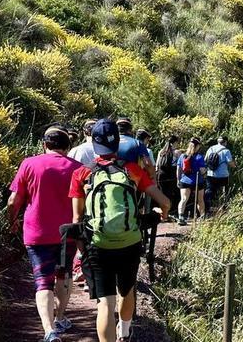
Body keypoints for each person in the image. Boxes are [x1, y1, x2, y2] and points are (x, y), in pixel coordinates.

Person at [69, 119, 170, 342]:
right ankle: (124, 332)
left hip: (98, 244)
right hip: (130, 242)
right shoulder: (132, 170)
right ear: (117, 144)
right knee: (127, 289)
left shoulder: (82, 174)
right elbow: (164, 202)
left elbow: (76, 218)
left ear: (94, 144)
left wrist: (82, 248)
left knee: (105, 303)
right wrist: (161, 215)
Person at [7, 125, 82, 342]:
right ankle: (60, 318)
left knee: (43, 281)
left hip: (36, 233)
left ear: (44, 145)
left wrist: (12, 221)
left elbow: (14, 200)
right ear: (69, 146)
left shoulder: (29, 164)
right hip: (68, 233)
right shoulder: (79, 169)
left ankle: (49, 331)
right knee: (63, 274)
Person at [176, 137, 206, 225]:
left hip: (184, 181)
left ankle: (180, 217)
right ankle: (202, 216)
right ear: (197, 146)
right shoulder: (199, 157)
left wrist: (178, 179)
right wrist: (205, 174)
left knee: (183, 199)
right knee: (200, 200)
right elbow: (202, 170)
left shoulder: (182, 156)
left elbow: (178, 169)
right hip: (197, 181)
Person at [204, 136, 236, 213]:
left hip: (210, 174)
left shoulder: (210, 148)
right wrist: (234, 166)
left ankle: (207, 208)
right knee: (224, 192)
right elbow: (230, 162)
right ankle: (223, 208)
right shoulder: (226, 151)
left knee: (210, 191)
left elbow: (205, 160)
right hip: (223, 175)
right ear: (225, 142)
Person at [155, 135, 180, 216]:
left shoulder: (161, 151)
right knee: (170, 195)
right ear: (174, 143)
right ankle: (169, 213)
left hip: (161, 175)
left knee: (162, 194)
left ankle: (162, 213)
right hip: (171, 175)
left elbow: (157, 165)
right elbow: (179, 165)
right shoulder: (176, 152)